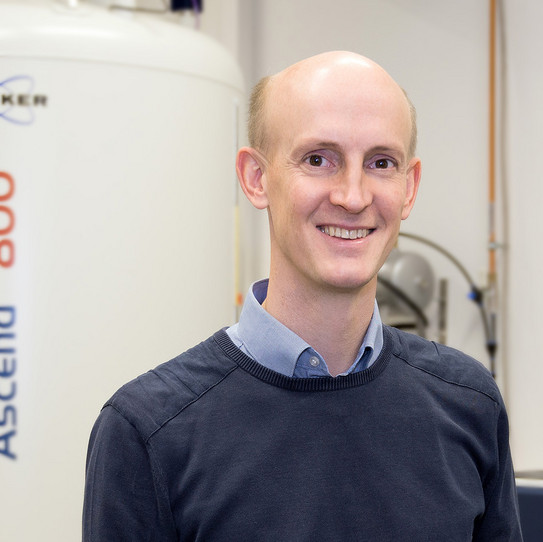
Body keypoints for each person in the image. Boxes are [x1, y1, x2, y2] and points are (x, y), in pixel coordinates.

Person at [83, 51, 523, 541]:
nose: (353, 197)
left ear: (409, 187)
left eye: (381, 163)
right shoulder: (149, 430)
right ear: (256, 178)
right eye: (318, 159)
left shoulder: (468, 404)